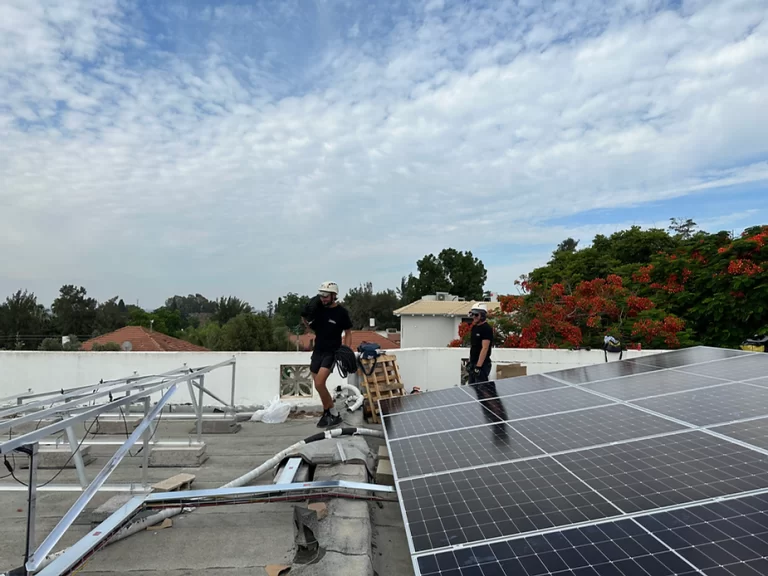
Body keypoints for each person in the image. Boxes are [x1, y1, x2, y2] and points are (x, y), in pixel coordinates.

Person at [301, 281, 353, 427]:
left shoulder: (341, 313)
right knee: (318, 384)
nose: (322, 298)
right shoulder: (319, 310)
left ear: (333, 296)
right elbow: (312, 327)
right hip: (318, 351)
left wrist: (346, 350)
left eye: (325, 296)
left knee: (319, 383)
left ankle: (329, 412)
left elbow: (348, 332)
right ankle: (331, 412)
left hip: (332, 352)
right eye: (321, 295)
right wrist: (304, 318)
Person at [467, 302, 493, 384]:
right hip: (473, 363)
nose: (474, 317)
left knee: (482, 390)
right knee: (472, 389)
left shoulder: (486, 329)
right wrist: (470, 361)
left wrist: (478, 366)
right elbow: (473, 346)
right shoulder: (474, 328)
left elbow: (485, 348)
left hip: (482, 365)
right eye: (473, 315)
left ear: (482, 315)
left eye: (476, 315)